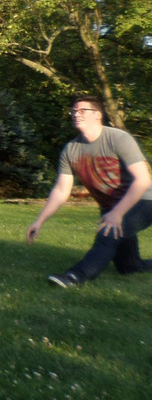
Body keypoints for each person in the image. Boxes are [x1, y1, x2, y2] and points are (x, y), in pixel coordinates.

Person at [26, 96, 152, 287]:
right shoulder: (70, 150)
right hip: (111, 207)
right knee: (128, 266)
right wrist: (39, 220)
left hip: (143, 200)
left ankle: (74, 277)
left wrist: (117, 214)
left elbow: (143, 180)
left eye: (82, 110)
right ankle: (133, 264)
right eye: (74, 111)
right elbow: (61, 190)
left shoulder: (119, 139)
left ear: (97, 115)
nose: (76, 114)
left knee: (108, 234)